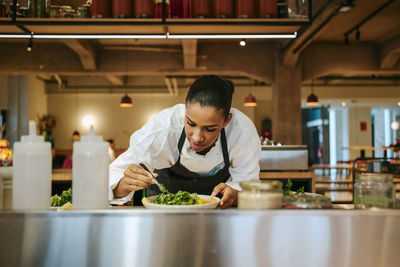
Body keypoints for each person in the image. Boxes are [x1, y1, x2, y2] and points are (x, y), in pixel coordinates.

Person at [109, 75, 261, 208]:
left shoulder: (242, 133)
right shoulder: (162, 129)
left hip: (217, 214)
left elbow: (248, 185)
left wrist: (235, 194)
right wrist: (125, 184)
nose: (197, 137)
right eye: (191, 123)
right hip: (162, 213)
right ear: (185, 112)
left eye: (210, 129)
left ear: (226, 120)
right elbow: (110, 179)